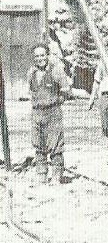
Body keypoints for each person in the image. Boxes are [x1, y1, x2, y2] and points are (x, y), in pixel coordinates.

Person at [27, 42, 71, 184]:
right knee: (39, 144)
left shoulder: (56, 70)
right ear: (34, 58)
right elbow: (31, 91)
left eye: (42, 55)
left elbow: (66, 91)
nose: (40, 58)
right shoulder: (31, 72)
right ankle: (41, 173)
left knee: (55, 145)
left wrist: (55, 102)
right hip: (36, 113)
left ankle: (57, 175)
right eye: (37, 56)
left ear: (47, 55)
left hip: (53, 112)